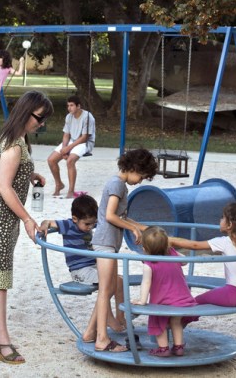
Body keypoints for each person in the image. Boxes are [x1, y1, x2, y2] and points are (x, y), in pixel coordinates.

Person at [0, 90, 53, 365]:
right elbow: (4, 186)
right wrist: (28, 219)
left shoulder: (16, 138)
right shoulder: (14, 145)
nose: (42, 124)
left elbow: (9, 173)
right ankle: (2, 342)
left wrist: (30, 175)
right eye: (40, 118)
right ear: (26, 112)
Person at [82, 148, 158, 353]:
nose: (140, 181)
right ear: (133, 168)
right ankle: (102, 339)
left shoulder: (120, 185)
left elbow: (121, 217)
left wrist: (143, 228)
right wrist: (133, 228)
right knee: (105, 291)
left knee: (106, 290)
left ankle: (90, 333)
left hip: (110, 243)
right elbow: (110, 216)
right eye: (141, 176)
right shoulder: (117, 184)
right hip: (105, 243)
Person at [39, 194, 126, 331]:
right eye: (87, 224)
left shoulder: (88, 223)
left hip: (93, 266)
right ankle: (108, 317)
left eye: (92, 223)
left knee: (119, 281)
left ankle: (121, 316)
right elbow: (48, 222)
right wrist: (44, 224)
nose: (90, 227)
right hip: (80, 271)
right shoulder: (68, 225)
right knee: (107, 283)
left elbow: (105, 222)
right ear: (75, 218)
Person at [132, 226, 198, 357]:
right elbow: (184, 261)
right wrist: (171, 250)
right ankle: (179, 347)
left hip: (162, 302)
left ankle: (163, 349)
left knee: (157, 322)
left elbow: (146, 283)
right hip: (182, 300)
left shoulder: (149, 264)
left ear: (144, 249)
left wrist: (142, 301)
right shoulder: (172, 253)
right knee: (176, 322)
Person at [47, 95, 96, 198]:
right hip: (72, 141)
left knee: (70, 160)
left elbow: (84, 137)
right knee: (51, 160)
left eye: (72, 105)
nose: (69, 108)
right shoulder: (69, 116)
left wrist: (68, 149)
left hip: (85, 143)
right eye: (68, 105)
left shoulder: (87, 116)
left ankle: (71, 190)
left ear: (78, 106)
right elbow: (66, 134)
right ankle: (59, 184)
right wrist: (64, 149)